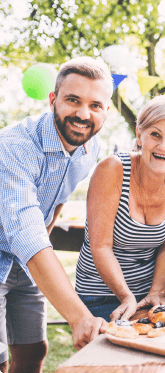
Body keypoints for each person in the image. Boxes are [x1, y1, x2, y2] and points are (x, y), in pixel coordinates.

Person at [0, 57, 113, 372]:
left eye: (95, 105)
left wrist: (48, 225)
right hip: (9, 249)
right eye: (73, 100)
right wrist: (79, 317)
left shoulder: (92, 148)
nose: (83, 114)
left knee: (34, 349)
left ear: (106, 110)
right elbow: (26, 233)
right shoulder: (14, 147)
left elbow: (61, 192)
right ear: (53, 100)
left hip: (25, 261)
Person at [75, 95, 165, 322]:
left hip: (147, 295)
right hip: (100, 295)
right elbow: (101, 245)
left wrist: (157, 293)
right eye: (155, 134)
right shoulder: (113, 169)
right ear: (139, 135)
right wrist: (125, 296)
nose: (163, 146)